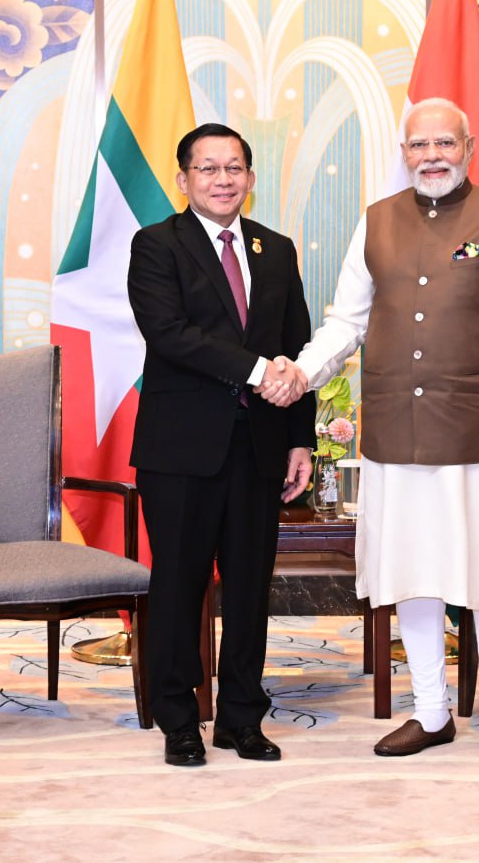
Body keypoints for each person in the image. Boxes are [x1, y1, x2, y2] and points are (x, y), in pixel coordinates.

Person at [268, 97, 479, 764]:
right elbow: (345, 323)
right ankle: (431, 711)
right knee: (412, 574)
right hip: (397, 436)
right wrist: (301, 372)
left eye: (445, 143)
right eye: (419, 145)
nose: (432, 155)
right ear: (403, 153)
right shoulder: (376, 222)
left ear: (468, 149)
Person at [127, 122, 315, 767]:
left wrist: (300, 441)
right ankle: (179, 718)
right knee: (179, 585)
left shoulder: (276, 249)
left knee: (249, 587)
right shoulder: (157, 245)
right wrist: (260, 371)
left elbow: (297, 346)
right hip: (181, 449)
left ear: (251, 178)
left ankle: (241, 717)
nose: (222, 179)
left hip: (259, 447)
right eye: (208, 168)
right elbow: (170, 333)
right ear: (184, 179)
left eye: (233, 168)